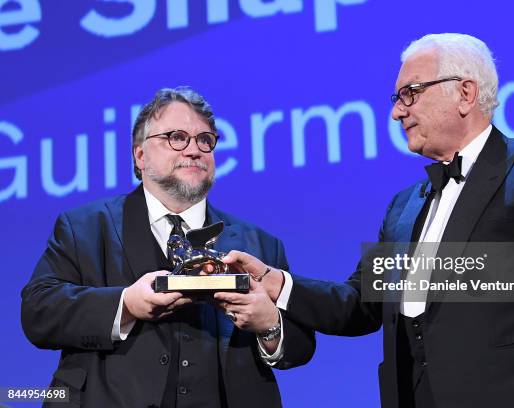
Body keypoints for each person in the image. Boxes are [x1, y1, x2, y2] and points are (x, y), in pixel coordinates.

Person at [217, 34, 514, 408]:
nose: (396, 111)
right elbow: (360, 305)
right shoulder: (404, 206)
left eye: (410, 94)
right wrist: (275, 281)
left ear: (465, 94)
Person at [21, 86, 314, 408]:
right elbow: (39, 312)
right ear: (140, 155)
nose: (194, 150)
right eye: (176, 137)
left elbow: (300, 346)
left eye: (205, 140)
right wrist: (126, 304)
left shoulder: (259, 244)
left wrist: (270, 325)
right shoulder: (85, 227)